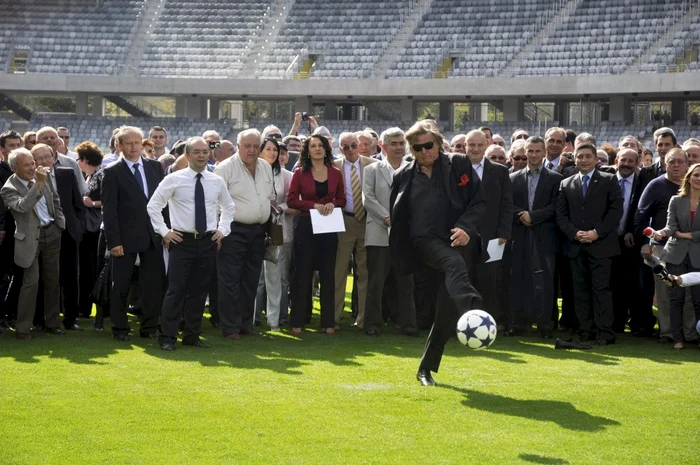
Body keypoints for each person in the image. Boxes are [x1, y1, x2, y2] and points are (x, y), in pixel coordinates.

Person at [389, 122, 485, 386]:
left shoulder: (459, 165)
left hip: (456, 241)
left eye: (428, 145)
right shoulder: (403, 176)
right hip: (423, 244)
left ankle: (425, 369)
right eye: (417, 147)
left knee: (445, 310)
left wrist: (466, 228)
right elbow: (397, 218)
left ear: (439, 143)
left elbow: (478, 201)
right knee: (454, 265)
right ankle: (474, 311)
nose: (424, 151)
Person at [147, 137, 234, 351]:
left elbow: (228, 207)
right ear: (187, 155)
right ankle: (167, 337)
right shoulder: (174, 179)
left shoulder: (216, 181)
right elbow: (153, 206)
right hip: (182, 241)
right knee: (175, 290)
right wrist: (165, 232)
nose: (202, 155)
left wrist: (223, 230)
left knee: (199, 291)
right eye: (196, 152)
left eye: (205, 151)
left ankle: (192, 336)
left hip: (207, 241)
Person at [101, 126, 166, 341]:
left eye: (137, 142)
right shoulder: (111, 172)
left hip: (153, 236)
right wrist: (114, 241)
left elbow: (162, 204)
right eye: (128, 143)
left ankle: (149, 328)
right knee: (121, 285)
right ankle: (120, 328)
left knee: (153, 285)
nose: (134, 147)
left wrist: (165, 231)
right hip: (124, 239)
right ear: (119, 145)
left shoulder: (155, 167)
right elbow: (109, 211)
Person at [556, 143, 623, 345]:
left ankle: (605, 332)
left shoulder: (609, 180)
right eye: (580, 156)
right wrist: (575, 233)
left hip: (601, 246)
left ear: (596, 159)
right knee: (580, 291)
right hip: (576, 246)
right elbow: (561, 214)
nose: (583, 160)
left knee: (601, 290)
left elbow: (615, 211)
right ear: (574, 159)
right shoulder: (566, 183)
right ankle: (586, 329)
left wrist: (596, 233)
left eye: (587, 156)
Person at [214, 129, 274, 340]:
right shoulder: (225, 168)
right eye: (247, 146)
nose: (251, 150)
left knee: (251, 279)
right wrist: (219, 232)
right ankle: (230, 327)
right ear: (238, 146)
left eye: (255, 146)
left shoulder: (266, 166)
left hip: (259, 231)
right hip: (232, 230)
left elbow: (269, 197)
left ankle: (245, 324)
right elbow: (215, 204)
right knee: (230, 280)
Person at [0, 148, 66, 339]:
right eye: (27, 164)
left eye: (32, 162)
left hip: (51, 234)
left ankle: (52, 324)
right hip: (28, 240)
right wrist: (38, 183)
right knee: (31, 283)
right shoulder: (8, 188)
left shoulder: (44, 177)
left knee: (53, 281)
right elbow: (23, 207)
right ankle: (22, 329)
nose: (33, 167)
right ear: (15, 168)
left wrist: (59, 223)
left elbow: (55, 199)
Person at [287, 134, 345, 336]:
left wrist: (332, 203)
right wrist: (313, 205)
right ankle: (298, 322)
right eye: (313, 146)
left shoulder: (336, 173)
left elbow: (342, 199)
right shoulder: (299, 173)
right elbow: (292, 200)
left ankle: (328, 323)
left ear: (326, 149)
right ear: (307, 150)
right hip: (306, 226)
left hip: (329, 228)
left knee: (328, 275)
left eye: (321, 145)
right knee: (302, 274)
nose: (317, 149)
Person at [363, 127, 417, 337]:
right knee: (376, 282)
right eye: (393, 144)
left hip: (404, 235)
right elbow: (368, 199)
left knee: (406, 282)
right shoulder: (372, 170)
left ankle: (409, 324)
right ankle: (373, 324)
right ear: (383, 146)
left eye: (401, 143)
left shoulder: (414, 169)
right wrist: (387, 217)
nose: (398, 147)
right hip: (378, 232)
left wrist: (400, 221)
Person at [507, 136, 562, 338]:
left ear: (544, 152)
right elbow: (506, 205)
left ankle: (545, 326)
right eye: (530, 151)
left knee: (545, 283)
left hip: (544, 235)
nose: (533, 155)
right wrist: (522, 215)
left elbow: (557, 206)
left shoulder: (555, 179)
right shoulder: (513, 178)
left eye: (537, 151)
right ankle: (518, 323)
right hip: (519, 235)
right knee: (518, 280)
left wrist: (534, 216)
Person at [634, 148, 689, 342]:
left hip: (692, 248)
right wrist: (645, 243)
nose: (675, 165)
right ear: (664, 164)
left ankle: (689, 333)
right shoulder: (655, 185)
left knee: (689, 293)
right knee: (665, 293)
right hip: (662, 248)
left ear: (687, 164)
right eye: (671, 162)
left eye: (679, 162)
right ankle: (667, 333)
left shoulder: (694, 185)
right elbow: (641, 217)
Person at [32, 143, 86, 331]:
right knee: (43, 277)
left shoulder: (66, 173)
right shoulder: (31, 178)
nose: (44, 161)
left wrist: (79, 226)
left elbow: (78, 203)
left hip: (68, 232)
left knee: (70, 277)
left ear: (54, 156)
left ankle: (71, 319)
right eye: (39, 158)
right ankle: (40, 320)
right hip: (43, 233)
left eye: (47, 156)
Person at [466, 129, 512, 330]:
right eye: (471, 145)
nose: (475, 148)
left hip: (493, 237)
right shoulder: (453, 168)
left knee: (489, 281)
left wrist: (504, 232)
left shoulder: (500, 171)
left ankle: (488, 324)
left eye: (479, 144)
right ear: (466, 146)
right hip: (462, 236)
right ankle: (463, 322)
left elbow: (506, 203)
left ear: (486, 145)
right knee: (464, 279)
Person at [652, 163, 700, 350]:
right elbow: (670, 226)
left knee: (698, 300)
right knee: (676, 298)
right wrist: (661, 233)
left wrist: (687, 235)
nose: (698, 178)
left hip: (697, 255)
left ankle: (696, 336)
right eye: (695, 175)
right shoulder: (676, 200)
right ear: (689, 178)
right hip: (675, 254)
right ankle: (677, 338)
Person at [332, 132, 377, 329]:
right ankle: (334, 318)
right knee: (339, 271)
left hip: (368, 221)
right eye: (345, 147)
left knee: (364, 272)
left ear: (360, 145)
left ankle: (363, 318)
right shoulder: (334, 167)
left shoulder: (373, 165)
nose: (350, 149)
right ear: (340, 149)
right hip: (343, 221)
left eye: (353, 145)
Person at [258, 137, 295, 331]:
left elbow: (294, 203)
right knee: (256, 279)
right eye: (269, 149)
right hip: (254, 228)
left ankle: (274, 321)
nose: (273, 154)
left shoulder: (287, 176)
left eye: (276, 150)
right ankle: (252, 318)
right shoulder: (252, 171)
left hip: (278, 230)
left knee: (276, 277)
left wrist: (278, 207)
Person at [75, 142, 104, 321]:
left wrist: (91, 203)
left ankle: (100, 308)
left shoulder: (102, 175)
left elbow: (109, 199)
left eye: (79, 159)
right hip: (88, 228)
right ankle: (85, 307)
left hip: (95, 229)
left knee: (93, 268)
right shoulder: (89, 176)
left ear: (85, 159)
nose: (78, 162)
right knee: (86, 268)